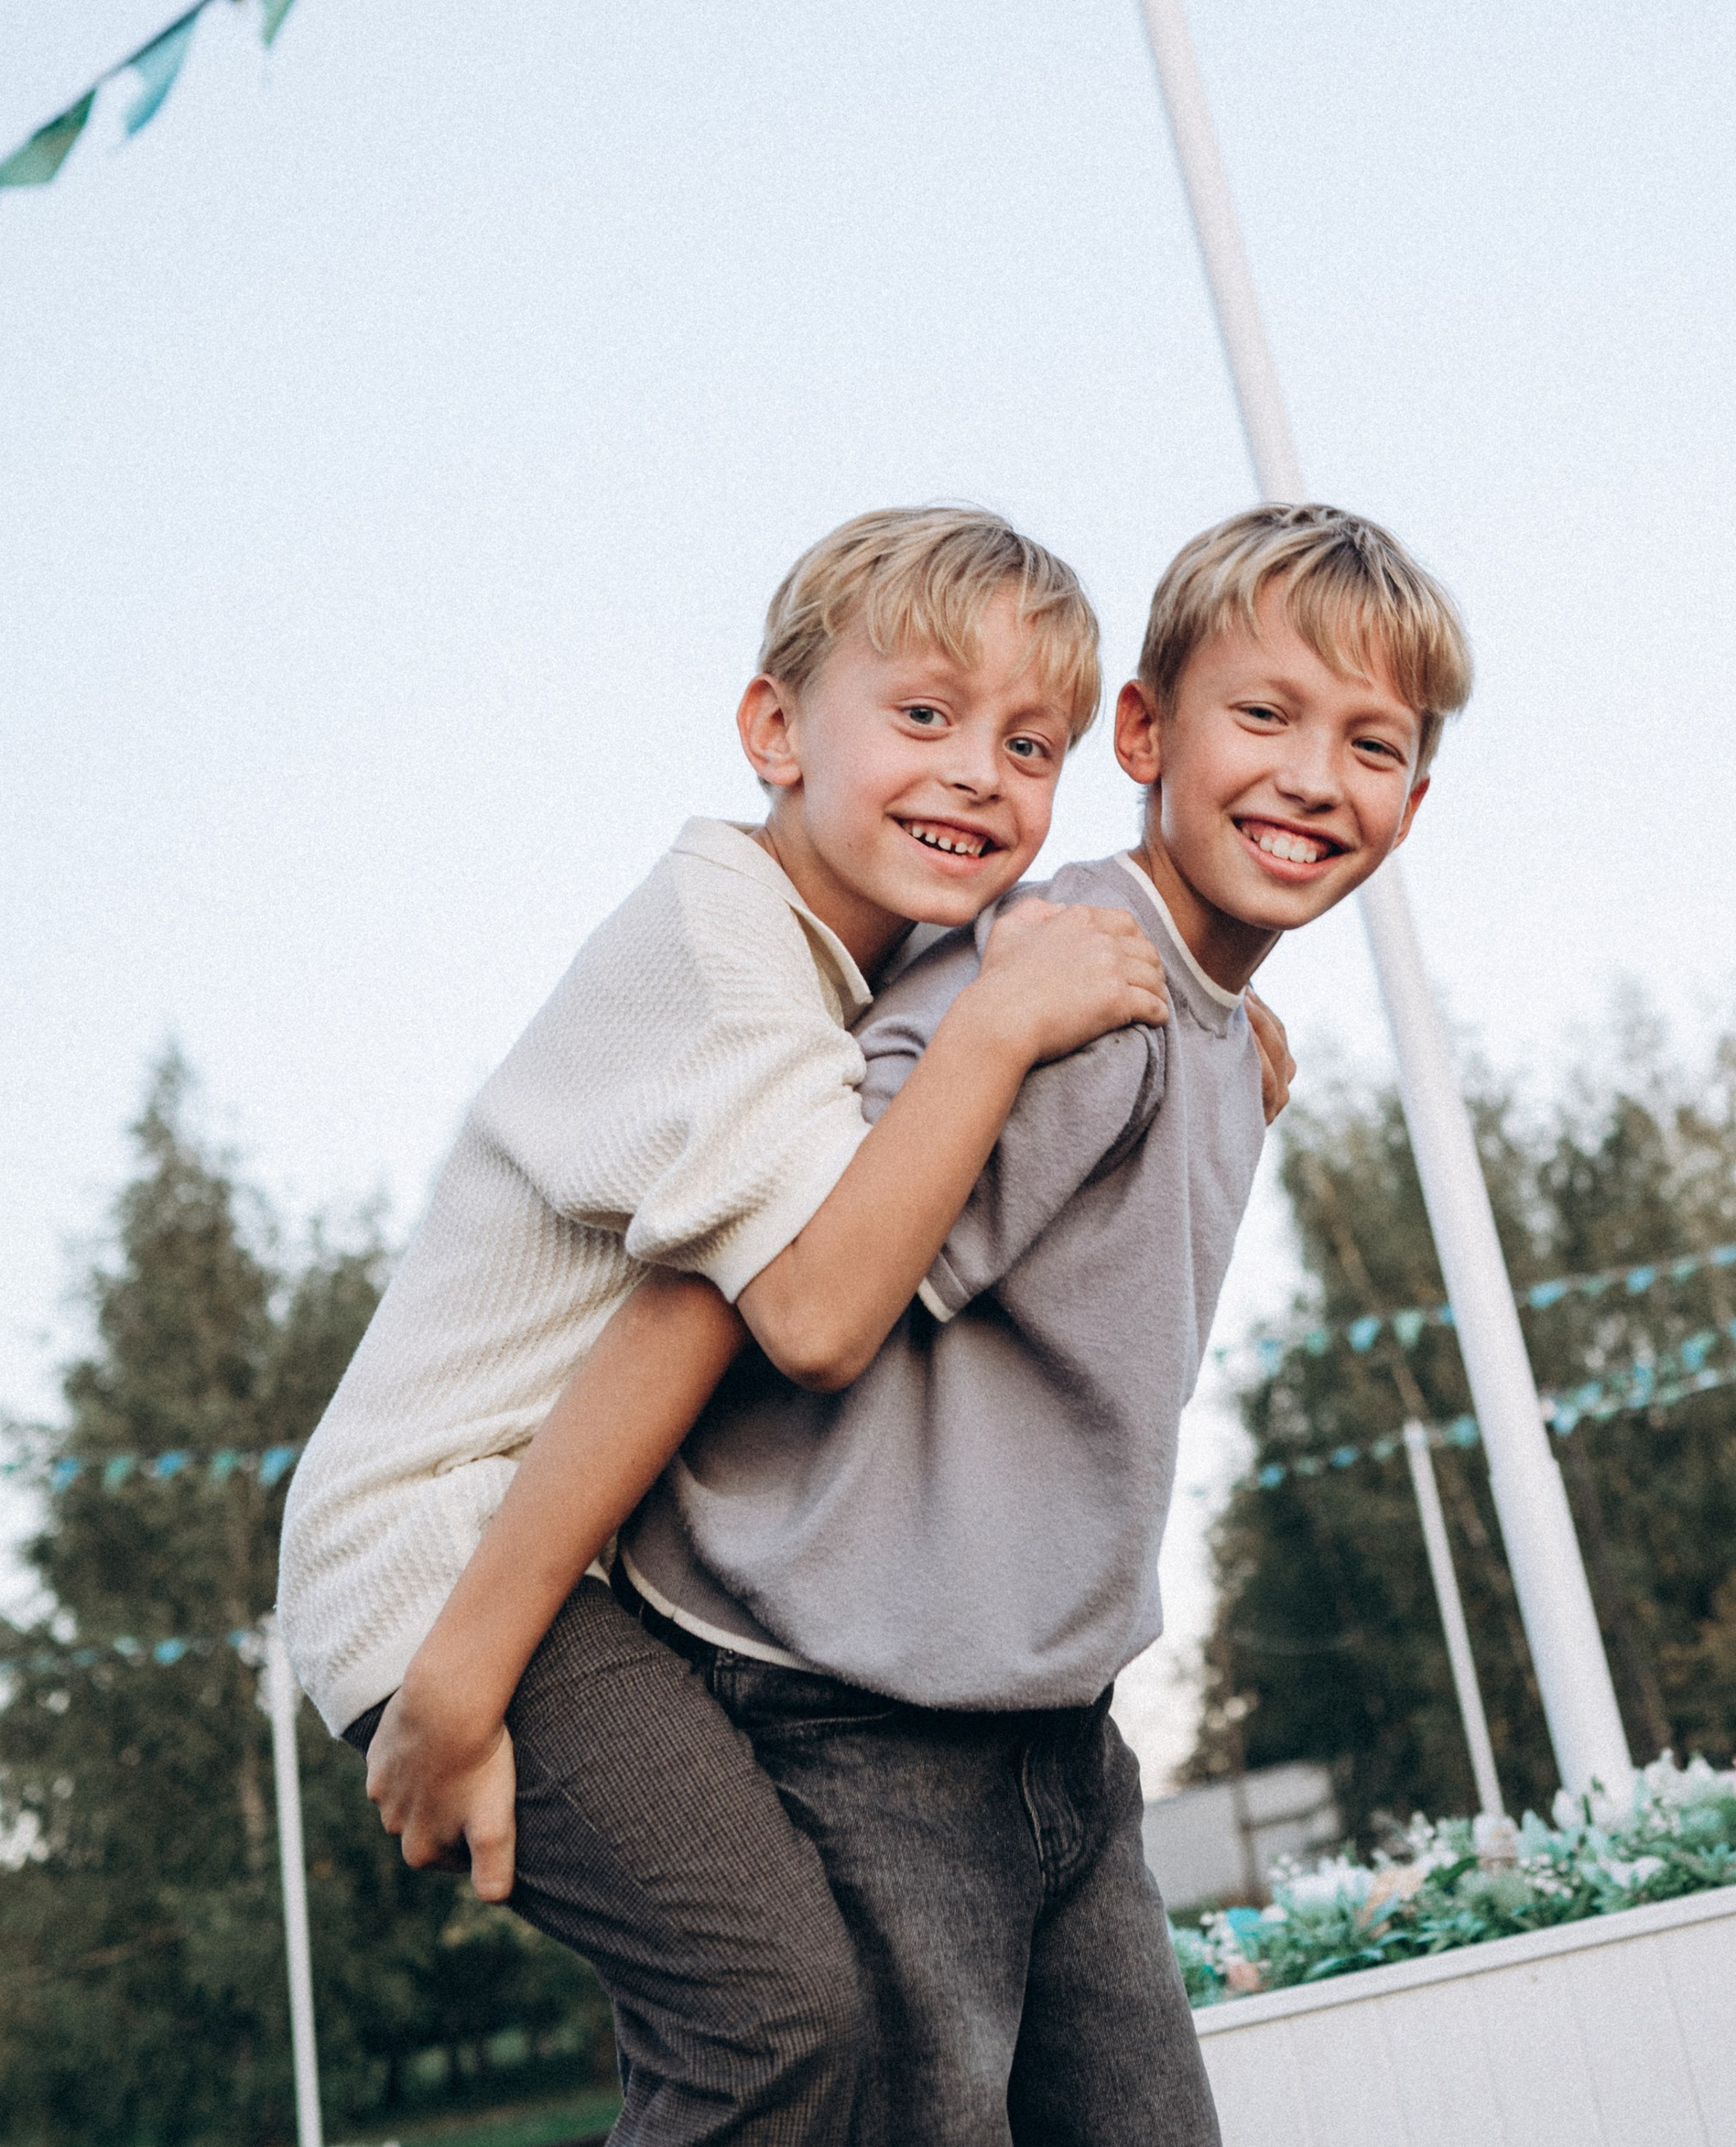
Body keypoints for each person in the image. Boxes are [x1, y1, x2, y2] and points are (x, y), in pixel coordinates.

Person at [383, 501, 1468, 2147]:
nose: (1316, 776)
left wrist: (1221, 1053)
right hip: (855, 1707)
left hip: (1052, 1732)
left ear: (1416, 795)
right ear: (1149, 735)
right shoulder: (1045, 991)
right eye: (1267, 715)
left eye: (1371, 744)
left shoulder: (1206, 1028)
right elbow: (745, 1296)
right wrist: (465, 1670)